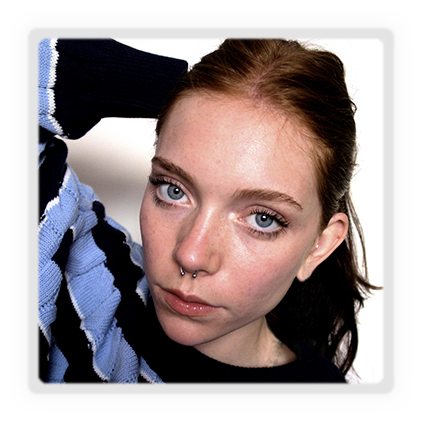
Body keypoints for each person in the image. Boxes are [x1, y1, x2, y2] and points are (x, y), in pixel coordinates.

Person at [38, 38, 378, 383]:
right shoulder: (84, 275)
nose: (191, 256)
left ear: (320, 245)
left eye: (262, 219)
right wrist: (181, 91)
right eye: (173, 190)